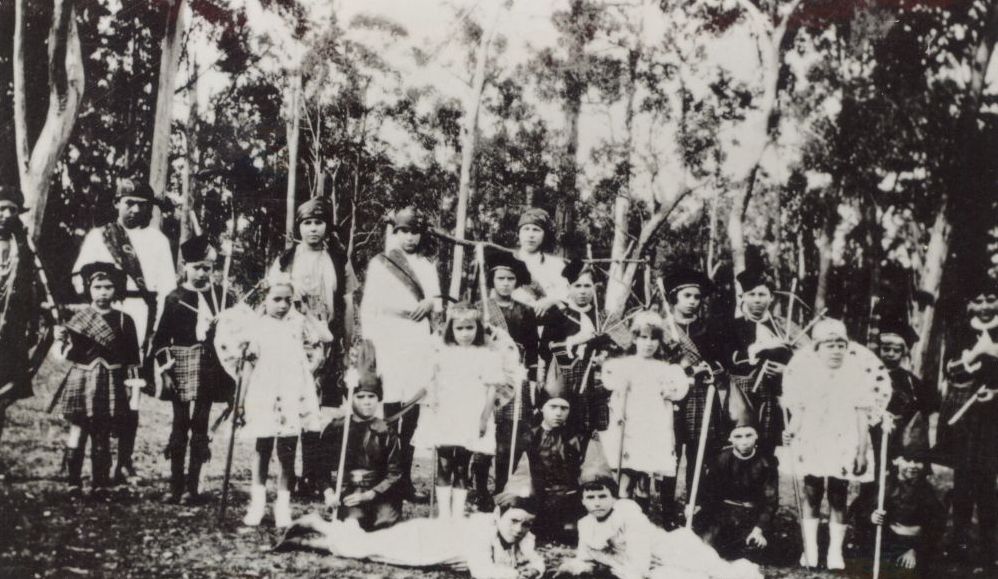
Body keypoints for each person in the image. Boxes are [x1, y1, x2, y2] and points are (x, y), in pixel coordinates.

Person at [72, 179, 177, 483]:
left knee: (132, 387)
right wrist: (99, 295)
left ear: (150, 209)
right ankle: (97, 462)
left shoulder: (158, 241)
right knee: (99, 383)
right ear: (117, 202)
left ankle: (125, 461)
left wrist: (158, 329)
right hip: (103, 316)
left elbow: (167, 287)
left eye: (141, 205)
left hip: (140, 316)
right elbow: (80, 277)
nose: (134, 209)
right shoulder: (99, 236)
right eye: (128, 202)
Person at [782, 318, 891, 569]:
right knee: (812, 493)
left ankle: (835, 552)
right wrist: (790, 432)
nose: (836, 350)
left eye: (840, 345)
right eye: (829, 345)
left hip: (843, 442)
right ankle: (810, 549)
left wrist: (862, 451)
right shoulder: (806, 375)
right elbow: (798, 411)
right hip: (813, 441)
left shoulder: (856, 375)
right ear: (818, 349)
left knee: (838, 495)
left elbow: (862, 417)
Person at [269, 198, 352, 497]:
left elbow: (347, 301)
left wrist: (348, 340)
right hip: (293, 342)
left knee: (321, 410)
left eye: (319, 223)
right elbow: (272, 299)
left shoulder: (339, 259)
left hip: (328, 342)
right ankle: (289, 476)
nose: (313, 229)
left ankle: (319, 475)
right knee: (292, 404)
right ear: (299, 227)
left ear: (327, 227)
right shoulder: (286, 259)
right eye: (307, 223)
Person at [556, 460, 763, 579]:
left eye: (603, 496)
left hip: (670, 553)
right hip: (639, 566)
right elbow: (586, 558)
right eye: (590, 498)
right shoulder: (586, 525)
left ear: (614, 497)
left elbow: (641, 562)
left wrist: (620, 570)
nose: (597, 503)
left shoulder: (627, 513)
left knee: (714, 574)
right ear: (582, 501)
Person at [359, 206, 442, 502]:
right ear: (395, 233)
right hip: (390, 335)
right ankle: (386, 475)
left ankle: (404, 477)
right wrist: (371, 344)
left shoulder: (427, 265)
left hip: (417, 336)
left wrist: (431, 304)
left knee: (414, 402)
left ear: (421, 235)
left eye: (414, 232)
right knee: (392, 405)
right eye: (403, 231)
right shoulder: (380, 263)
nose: (409, 237)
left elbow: (437, 302)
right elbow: (369, 306)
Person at [276, 493, 545, 579]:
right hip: (422, 541)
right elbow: (482, 571)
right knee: (362, 548)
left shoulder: (523, 535)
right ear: (498, 514)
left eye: (526, 524)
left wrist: (535, 568)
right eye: (514, 521)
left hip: (432, 545)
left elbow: (534, 557)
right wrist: (518, 575)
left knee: (362, 547)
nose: (519, 529)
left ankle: (307, 541)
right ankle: (317, 525)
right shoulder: (480, 530)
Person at [239, 276, 330, 528]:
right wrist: (241, 398)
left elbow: (326, 338)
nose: (282, 305)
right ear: (265, 300)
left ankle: (282, 506)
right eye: (276, 299)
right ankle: (257, 504)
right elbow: (248, 363)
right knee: (263, 446)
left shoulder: (299, 322)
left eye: (287, 300)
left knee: (287, 451)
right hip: (265, 390)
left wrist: (307, 311)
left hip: (292, 390)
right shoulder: (256, 326)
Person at [151, 236, 234, 504]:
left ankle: (192, 487)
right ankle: (175, 485)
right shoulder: (174, 298)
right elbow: (161, 339)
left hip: (210, 367)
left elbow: (234, 334)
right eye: (196, 267)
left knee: (200, 424)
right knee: (179, 425)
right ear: (185, 266)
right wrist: (166, 371)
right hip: (181, 365)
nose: (202, 273)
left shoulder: (222, 297)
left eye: (207, 268)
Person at [412, 303, 510, 519]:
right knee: (444, 463)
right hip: (447, 412)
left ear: (477, 329)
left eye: (470, 328)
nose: (465, 334)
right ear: (450, 329)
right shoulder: (441, 352)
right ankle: (444, 516)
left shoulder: (486, 354)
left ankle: (457, 516)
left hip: (472, 413)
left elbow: (492, 388)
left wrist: (484, 418)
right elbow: (432, 381)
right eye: (459, 328)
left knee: (462, 466)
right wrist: (433, 404)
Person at [53, 263, 142, 496]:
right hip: (82, 378)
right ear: (88, 289)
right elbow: (63, 356)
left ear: (116, 289)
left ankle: (100, 484)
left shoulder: (125, 320)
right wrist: (59, 339)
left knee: (102, 432)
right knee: (78, 429)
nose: (103, 292)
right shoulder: (77, 318)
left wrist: (133, 390)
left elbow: (132, 359)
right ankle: (73, 482)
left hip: (111, 379)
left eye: (108, 287)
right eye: (97, 287)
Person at [934, 274, 998, 570]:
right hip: (967, 416)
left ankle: (988, 553)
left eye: (991, 299)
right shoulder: (962, 331)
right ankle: (958, 547)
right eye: (979, 300)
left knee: (988, 483)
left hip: (994, 420)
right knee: (963, 482)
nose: (985, 306)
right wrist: (976, 353)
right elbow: (952, 371)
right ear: (970, 304)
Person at [851, 317, 939, 526]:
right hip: (875, 440)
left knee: (900, 486)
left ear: (904, 352)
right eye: (886, 348)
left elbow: (929, 409)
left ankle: (897, 530)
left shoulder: (912, 382)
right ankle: (867, 527)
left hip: (902, 443)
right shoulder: (867, 377)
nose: (890, 354)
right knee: (873, 485)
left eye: (896, 350)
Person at [600, 311, 690, 515]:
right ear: (635, 339)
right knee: (626, 475)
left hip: (652, 425)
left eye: (654, 339)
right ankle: (621, 517)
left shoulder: (664, 368)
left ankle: (641, 520)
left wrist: (668, 391)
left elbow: (675, 392)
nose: (649, 343)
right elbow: (614, 388)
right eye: (643, 338)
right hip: (629, 424)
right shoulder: (624, 364)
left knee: (644, 476)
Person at [661, 266, 728, 523]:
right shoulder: (663, 328)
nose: (692, 302)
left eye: (697, 297)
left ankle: (694, 510)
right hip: (671, 398)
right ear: (674, 297)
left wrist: (707, 369)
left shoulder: (708, 329)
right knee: (670, 453)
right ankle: (667, 513)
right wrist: (682, 368)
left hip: (701, 397)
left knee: (699, 454)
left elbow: (721, 364)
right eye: (687, 296)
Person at [473, 250, 539, 508]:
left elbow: (532, 349)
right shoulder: (481, 309)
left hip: (515, 376)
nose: (505, 283)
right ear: (492, 280)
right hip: (487, 376)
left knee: (510, 435)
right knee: (485, 433)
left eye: (510, 279)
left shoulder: (525, 311)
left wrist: (531, 378)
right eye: (500, 278)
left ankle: (502, 487)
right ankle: (479, 489)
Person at [319, 340, 403, 531]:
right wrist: (329, 493)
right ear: (351, 397)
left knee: (386, 523)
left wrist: (370, 495)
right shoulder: (337, 428)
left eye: (371, 397)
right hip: (349, 491)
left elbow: (395, 473)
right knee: (352, 523)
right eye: (361, 397)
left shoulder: (385, 431)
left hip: (378, 494)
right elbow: (321, 468)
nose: (367, 402)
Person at [852, 412, 945, 579]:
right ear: (895, 461)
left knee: (910, 571)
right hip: (886, 542)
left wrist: (915, 550)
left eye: (918, 461)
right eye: (907, 460)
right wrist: (872, 516)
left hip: (913, 545)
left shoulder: (925, 492)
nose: (913, 466)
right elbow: (859, 509)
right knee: (877, 567)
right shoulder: (885, 486)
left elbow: (936, 526)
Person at [696, 384, 778, 563]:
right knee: (707, 548)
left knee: (751, 552)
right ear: (730, 438)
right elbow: (709, 493)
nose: (744, 442)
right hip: (723, 515)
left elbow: (770, 502)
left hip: (752, 515)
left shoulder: (766, 463)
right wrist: (698, 508)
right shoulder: (721, 460)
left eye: (749, 435)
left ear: (757, 436)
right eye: (738, 437)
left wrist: (759, 529)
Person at [724, 266, 798, 460]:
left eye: (762, 294)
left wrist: (786, 370)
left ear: (771, 297)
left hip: (772, 398)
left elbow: (800, 362)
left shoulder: (782, 326)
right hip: (741, 397)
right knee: (739, 451)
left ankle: (767, 490)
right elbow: (728, 361)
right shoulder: (731, 327)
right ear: (743, 297)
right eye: (752, 294)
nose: (757, 300)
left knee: (767, 451)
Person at [0, 185, 49, 471]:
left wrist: (35, 319)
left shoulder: (24, 246)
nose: (6, 215)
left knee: (4, 393)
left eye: (12, 210)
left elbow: (35, 288)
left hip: (11, 329)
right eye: (1, 209)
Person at [540, 260, 616, 439]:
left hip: (595, 385)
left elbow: (624, 348)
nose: (583, 291)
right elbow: (545, 350)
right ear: (569, 287)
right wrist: (575, 341)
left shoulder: (604, 318)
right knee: (562, 434)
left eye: (588, 286)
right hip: (563, 382)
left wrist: (605, 354)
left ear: (595, 288)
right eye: (577, 286)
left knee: (588, 434)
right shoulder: (558, 315)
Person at [522, 371, 586, 543]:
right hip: (536, 500)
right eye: (553, 407)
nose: (558, 413)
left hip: (567, 502)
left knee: (569, 533)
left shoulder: (576, 438)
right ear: (542, 407)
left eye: (564, 408)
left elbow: (584, 473)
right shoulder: (529, 437)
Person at [512, 207, 568, 317]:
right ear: (519, 233)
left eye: (536, 230)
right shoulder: (508, 262)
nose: (531, 235)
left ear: (544, 235)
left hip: (549, 323)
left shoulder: (556, 264)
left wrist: (551, 301)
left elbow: (566, 296)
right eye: (526, 229)